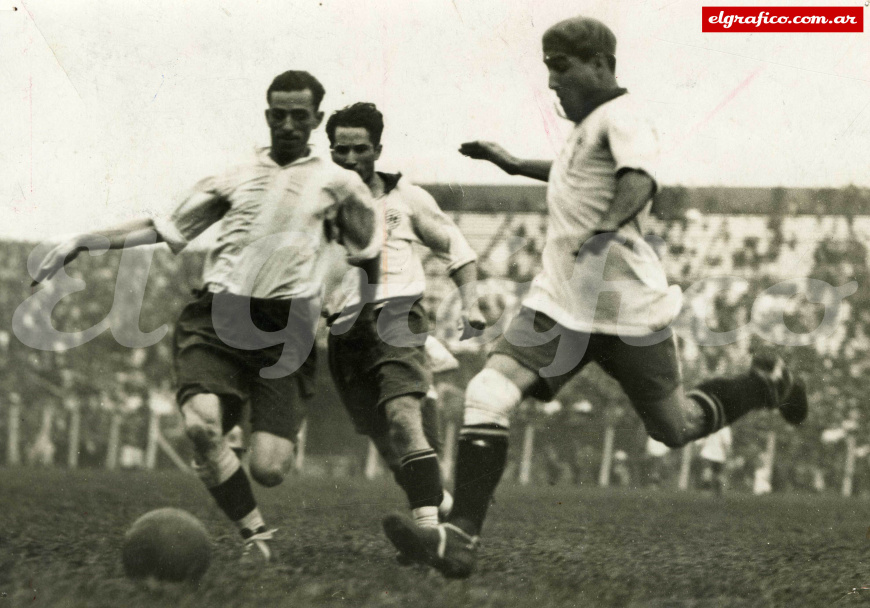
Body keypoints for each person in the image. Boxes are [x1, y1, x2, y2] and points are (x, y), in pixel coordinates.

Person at [382, 16, 808, 578]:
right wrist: (512, 163)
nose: (552, 82)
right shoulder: (588, 129)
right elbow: (571, 175)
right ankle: (460, 537)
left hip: (627, 310)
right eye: (548, 69)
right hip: (560, 306)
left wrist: (605, 230)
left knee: (674, 427)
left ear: (600, 63)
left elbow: (639, 179)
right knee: (487, 392)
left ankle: (764, 384)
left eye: (561, 67)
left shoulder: (623, 117)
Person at [30, 71, 382, 562]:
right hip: (218, 315)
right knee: (200, 427)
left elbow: (369, 252)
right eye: (278, 115)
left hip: (288, 331)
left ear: (316, 119)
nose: (287, 125)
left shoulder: (340, 185)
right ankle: (255, 534)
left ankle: (227, 446)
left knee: (270, 468)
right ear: (267, 115)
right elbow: (163, 227)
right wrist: (82, 241)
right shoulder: (234, 176)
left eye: (299, 116)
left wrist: (363, 309)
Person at [323, 102, 484, 539]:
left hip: (396, 314)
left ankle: (430, 536)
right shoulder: (318, 203)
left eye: (360, 149)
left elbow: (458, 251)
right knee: (389, 446)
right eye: (340, 150)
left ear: (377, 150)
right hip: (342, 329)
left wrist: (470, 305)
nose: (350, 158)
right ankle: (442, 506)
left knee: (401, 419)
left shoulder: (406, 199)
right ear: (330, 151)